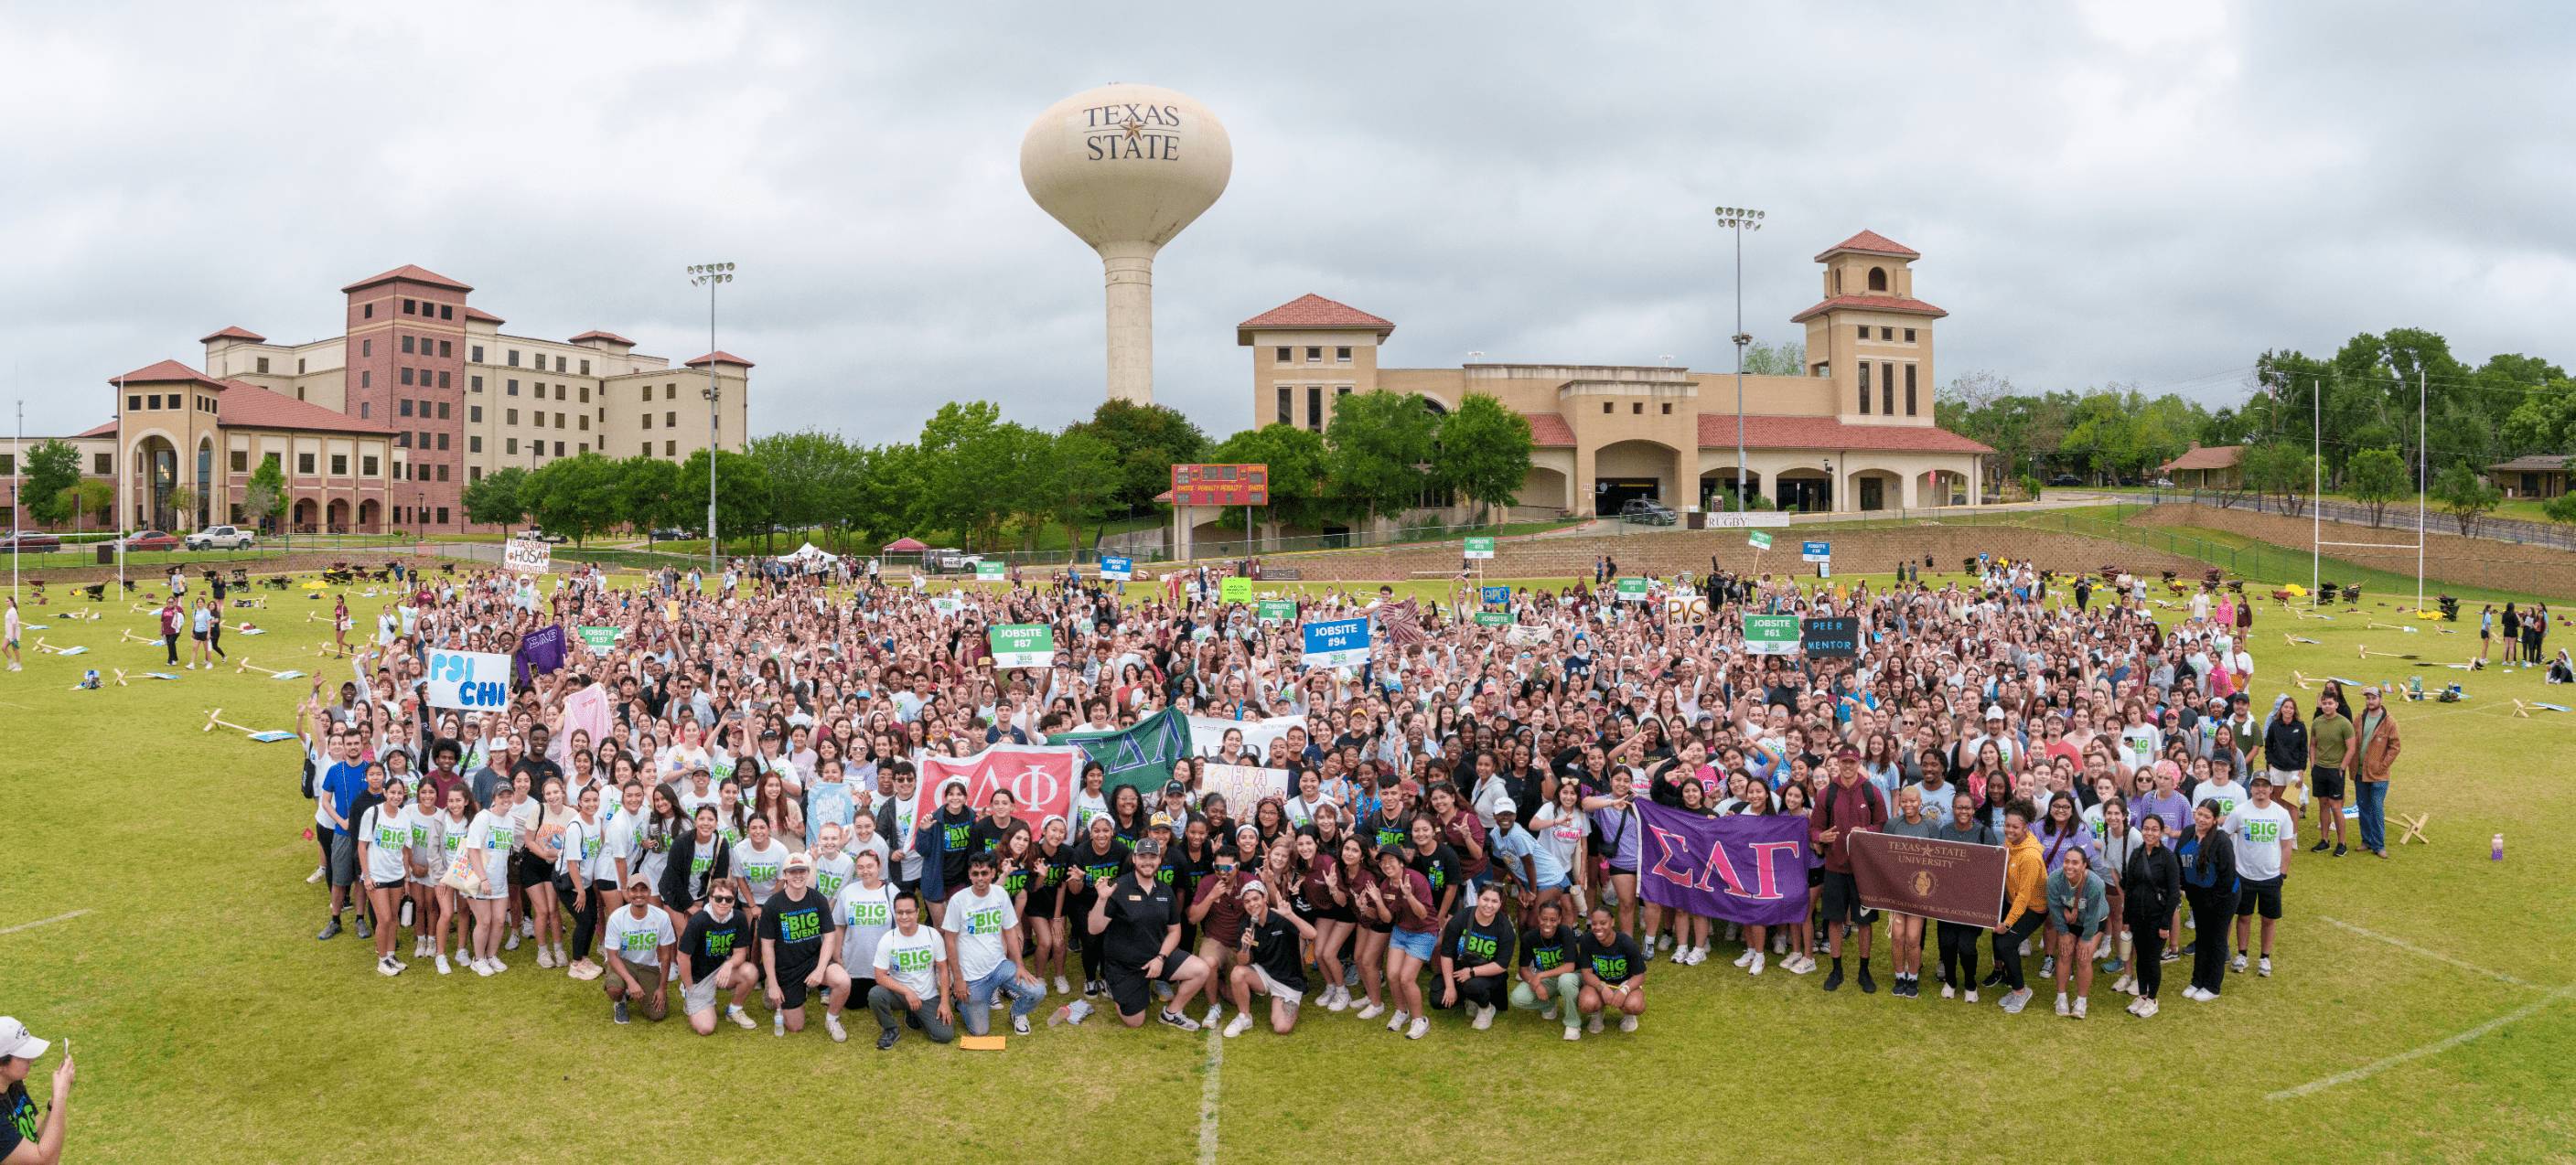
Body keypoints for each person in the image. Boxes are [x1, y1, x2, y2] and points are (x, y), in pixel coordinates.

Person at [1080, 839, 1214, 1031]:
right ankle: (1128, 988)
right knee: (1135, 1022)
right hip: (1124, 965)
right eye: (1143, 856)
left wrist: (1160, 958)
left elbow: (1175, 931)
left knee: (1201, 969)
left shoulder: (1165, 891)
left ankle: (1172, 1013)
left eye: (1153, 857)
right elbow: (1094, 929)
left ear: (1159, 860)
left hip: (1156, 956)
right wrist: (1101, 899)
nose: (1148, 861)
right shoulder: (1117, 887)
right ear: (1134, 859)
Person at [942, 851, 1046, 1037]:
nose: (980, 878)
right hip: (972, 977)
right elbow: (949, 940)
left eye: (984, 873)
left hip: (1000, 967)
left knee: (1038, 990)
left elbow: (1010, 931)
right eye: (975, 874)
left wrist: (1020, 966)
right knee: (980, 1031)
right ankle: (959, 1000)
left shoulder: (1000, 894)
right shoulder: (958, 900)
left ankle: (1017, 1013)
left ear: (992, 873)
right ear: (969, 875)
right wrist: (958, 979)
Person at [1810, 747, 1886, 993]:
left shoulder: (1870, 791)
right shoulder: (1827, 793)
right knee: (1834, 919)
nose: (1847, 766)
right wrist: (1819, 836)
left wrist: (1869, 832)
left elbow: (1882, 824)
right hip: (1834, 867)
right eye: (1844, 762)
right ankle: (1837, 968)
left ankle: (1864, 970)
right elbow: (1814, 828)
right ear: (1838, 763)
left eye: (1852, 762)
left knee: (1864, 922)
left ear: (1858, 763)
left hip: (1864, 870)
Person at [758, 851, 850, 1041]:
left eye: (802, 871)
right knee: (795, 1026)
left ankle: (832, 1020)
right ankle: (773, 989)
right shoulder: (772, 905)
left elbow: (829, 937)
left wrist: (820, 970)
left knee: (843, 981)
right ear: (785, 875)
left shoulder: (817, 899)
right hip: (786, 968)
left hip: (813, 961)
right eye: (793, 872)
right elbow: (766, 948)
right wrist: (774, 983)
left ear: (808, 873)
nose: (798, 875)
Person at [1222, 881, 1316, 1038]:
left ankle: (1280, 999)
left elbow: (1312, 934)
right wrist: (1245, 946)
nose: (1252, 904)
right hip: (1264, 974)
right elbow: (1242, 962)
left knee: (1281, 1027)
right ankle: (1244, 1017)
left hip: (1289, 981)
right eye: (1247, 901)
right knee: (1238, 973)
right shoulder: (1246, 923)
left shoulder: (1282, 917)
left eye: (1255, 899)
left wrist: (1291, 915)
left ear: (1264, 898)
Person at [2226, 774, 2296, 978]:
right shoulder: (2240, 811)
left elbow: (2286, 845)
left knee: (2269, 919)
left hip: (2271, 876)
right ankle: (2242, 954)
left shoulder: (2281, 814)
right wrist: (2232, 866)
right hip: (2244, 874)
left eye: (2264, 786)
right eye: (2256, 785)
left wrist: (2282, 873)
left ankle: (2265, 957)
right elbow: (2225, 835)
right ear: (2251, 788)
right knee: (2244, 917)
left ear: (2271, 789)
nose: (2260, 790)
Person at [867, 895, 954, 1049]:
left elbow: (943, 969)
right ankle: (891, 1029)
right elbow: (879, 976)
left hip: (927, 995)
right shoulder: (888, 939)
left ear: (917, 912)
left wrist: (945, 1002)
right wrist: (906, 991)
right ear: (895, 913)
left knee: (945, 1035)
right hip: (900, 994)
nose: (904, 916)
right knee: (875, 994)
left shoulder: (932, 934)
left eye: (909, 912)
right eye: (900, 912)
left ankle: (915, 1014)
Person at [1881, 785, 1942, 999]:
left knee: (1913, 938)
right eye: (1904, 801)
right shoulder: (1892, 824)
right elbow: (1884, 854)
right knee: (1897, 936)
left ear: (1920, 802)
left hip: (1920, 889)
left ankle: (1913, 978)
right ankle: (1899, 976)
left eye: (1912, 801)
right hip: (1897, 889)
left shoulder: (1931, 827)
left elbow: (1939, 860)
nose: (1908, 805)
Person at [674, 882, 761, 1035]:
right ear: (710, 899)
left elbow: (740, 953)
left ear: (734, 901)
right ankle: (690, 997)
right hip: (699, 978)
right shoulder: (698, 920)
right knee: (706, 1028)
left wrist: (729, 965)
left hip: (722, 971)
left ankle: (734, 1010)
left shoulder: (739, 918)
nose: (723, 903)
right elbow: (682, 957)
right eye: (719, 898)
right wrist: (690, 988)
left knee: (751, 971)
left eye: (728, 899)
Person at [1930, 792, 1993, 1000]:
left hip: (1973, 902)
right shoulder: (1944, 831)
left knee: (1966, 947)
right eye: (1959, 807)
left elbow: (1994, 866)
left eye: (1967, 807)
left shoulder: (1984, 833)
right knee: (1947, 944)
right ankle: (1950, 981)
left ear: (1974, 810)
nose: (1963, 811)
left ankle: (1970, 983)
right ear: (1953, 809)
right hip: (1947, 899)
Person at [2119, 814, 2182, 1017]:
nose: (2149, 833)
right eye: (2146, 828)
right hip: (2138, 916)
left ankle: (2152, 999)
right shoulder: (2136, 854)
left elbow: (2173, 894)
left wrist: (2165, 925)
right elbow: (2129, 887)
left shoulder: (2168, 857)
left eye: (2155, 829)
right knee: (2141, 958)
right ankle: (2143, 995)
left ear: (2161, 832)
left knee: (2152, 959)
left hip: (2157, 917)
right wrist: (2126, 919)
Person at [1989, 801, 2046, 1014]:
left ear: (2026, 828)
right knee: (1998, 940)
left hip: (2035, 908)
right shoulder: (2011, 842)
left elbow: (2024, 896)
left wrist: (2007, 923)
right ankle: (2013, 987)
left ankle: (2021, 991)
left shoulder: (2030, 857)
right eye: (2007, 825)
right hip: (2014, 901)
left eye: (2015, 827)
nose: (2009, 830)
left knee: (2005, 944)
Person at [1435, 884, 1519, 1031]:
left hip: (1489, 973)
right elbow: (1446, 954)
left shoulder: (1505, 928)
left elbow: (1501, 965)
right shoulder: (1461, 918)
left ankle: (1486, 1009)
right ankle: (1468, 997)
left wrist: (1472, 972)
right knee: (1437, 1001)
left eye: (1494, 901)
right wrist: (1449, 987)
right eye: (1485, 899)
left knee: (1473, 986)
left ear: (1500, 903)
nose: (1489, 905)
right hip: (1460, 968)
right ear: (1478, 898)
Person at [2178, 802, 2238, 1001]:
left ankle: (2213, 986)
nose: (2201, 819)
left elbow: (2227, 877)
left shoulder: (2221, 840)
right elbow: (2179, 864)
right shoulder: (2187, 833)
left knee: (2216, 939)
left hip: (2223, 897)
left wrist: (2213, 902)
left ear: (2214, 820)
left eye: (2207, 816)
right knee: (2201, 938)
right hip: (2199, 896)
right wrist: (2185, 889)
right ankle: (2197, 981)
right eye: (2199, 814)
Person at [600, 874, 676, 1024]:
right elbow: (612, 956)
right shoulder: (617, 917)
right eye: (634, 890)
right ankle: (620, 1000)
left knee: (657, 1014)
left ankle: (635, 989)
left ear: (649, 892)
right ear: (628, 892)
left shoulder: (662, 917)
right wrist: (631, 981)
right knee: (615, 988)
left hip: (648, 966)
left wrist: (662, 988)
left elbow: (666, 956)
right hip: (623, 963)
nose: (639, 894)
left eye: (643, 890)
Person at [2045, 848, 2108, 1019]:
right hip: (2071, 922)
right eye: (2066, 861)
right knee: (2064, 953)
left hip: (2094, 922)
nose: (2069, 866)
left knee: (2083, 957)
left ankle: (2081, 1001)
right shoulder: (2054, 879)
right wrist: (2063, 933)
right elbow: (2055, 907)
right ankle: (2061, 997)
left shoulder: (2095, 884)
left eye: (2075, 862)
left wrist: (2086, 939)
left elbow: (2094, 915)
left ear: (2084, 865)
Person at [1510, 900, 1584, 1039]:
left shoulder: (1565, 932)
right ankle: (1549, 1004)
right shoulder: (1529, 938)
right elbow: (1524, 970)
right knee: (1517, 998)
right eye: (1544, 919)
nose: (1548, 924)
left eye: (1553, 920)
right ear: (1538, 918)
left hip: (1573, 976)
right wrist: (1536, 983)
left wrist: (1540, 976)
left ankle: (1572, 1023)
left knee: (1565, 980)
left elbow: (1570, 966)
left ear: (1560, 920)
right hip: (1548, 979)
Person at [1572, 904, 1646, 1034]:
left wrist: (1624, 990)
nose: (1598, 927)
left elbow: (1639, 975)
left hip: (1624, 983)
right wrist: (1602, 987)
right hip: (1598, 983)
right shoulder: (1586, 940)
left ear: (1612, 922)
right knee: (1586, 1003)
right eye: (1594, 923)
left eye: (1603, 923)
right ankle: (1597, 1013)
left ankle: (1629, 1015)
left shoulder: (1627, 942)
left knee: (1635, 1005)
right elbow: (1586, 973)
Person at [2354, 685, 2402, 860]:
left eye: (2373, 698)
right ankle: (2366, 841)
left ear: (2380, 699)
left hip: (2379, 775)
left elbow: (2395, 747)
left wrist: (2383, 766)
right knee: (2363, 807)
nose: (2370, 701)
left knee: (2376, 808)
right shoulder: (2359, 718)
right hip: (2359, 772)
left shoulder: (2390, 722)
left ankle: (2379, 845)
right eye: (2368, 698)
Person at [2306, 689, 2356, 856]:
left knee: (2336, 807)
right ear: (2321, 704)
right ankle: (2325, 840)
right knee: (2323, 805)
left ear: (2336, 704)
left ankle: (2342, 843)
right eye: (2324, 703)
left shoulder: (2344, 724)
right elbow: (2312, 744)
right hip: (2319, 769)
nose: (2327, 706)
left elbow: (2351, 748)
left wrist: (2341, 768)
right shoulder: (2317, 722)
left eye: (2330, 703)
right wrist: (2313, 764)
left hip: (2335, 771)